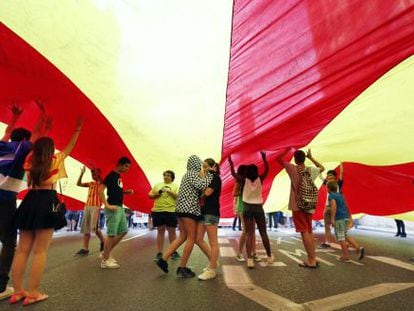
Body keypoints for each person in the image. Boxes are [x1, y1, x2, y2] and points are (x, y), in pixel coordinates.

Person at [11, 117, 83, 305]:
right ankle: (33, 293)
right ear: (51, 151)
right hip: (46, 201)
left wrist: (46, 129)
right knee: (40, 251)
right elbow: (70, 147)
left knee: (21, 251)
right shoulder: (55, 159)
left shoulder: (29, 160)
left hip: (29, 200)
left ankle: (18, 292)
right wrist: (77, 130)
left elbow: (37, 143)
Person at [0, 102, 47, 300]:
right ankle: (1, 286)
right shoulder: (23, 148)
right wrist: (43, 117)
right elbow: (35, 135)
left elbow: (8, 131)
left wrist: (15, 116)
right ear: (26, 140)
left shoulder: (2, 145)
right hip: (5, 200)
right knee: (10, 241)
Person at [156, 155, 214, 278]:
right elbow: (202, 186)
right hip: (189, 209)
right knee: (191, 238)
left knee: (182, 236)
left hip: (180, 209)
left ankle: (163, 259)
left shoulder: (186, 174)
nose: (201, 168)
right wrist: (210, 174)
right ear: (196, 165)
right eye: (200, 166)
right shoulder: (192, 173)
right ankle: (182, 267)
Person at [278, 148, 324, 269]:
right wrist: (311, 158)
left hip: (297, 205)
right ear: (304, 159)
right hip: (309, 204)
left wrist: (286, 150)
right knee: (309, 231)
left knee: (304, 232)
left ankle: (311, 260)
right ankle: (313, 257)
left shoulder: (292, 168)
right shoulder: (310, 170)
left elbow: (279, 159)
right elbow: (322, 167)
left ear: (295, 159)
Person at [237, 151, 273, 268]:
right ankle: (269, 256)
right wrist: (264, 158)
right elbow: (267, 169)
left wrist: (231, 162)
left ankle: (250, 260)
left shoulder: (243, 180)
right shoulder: (260, 178)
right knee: (263, 232)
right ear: (257, 172)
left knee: (248, 234)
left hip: (247, 208)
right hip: (258, 208)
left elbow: (233, 173)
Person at [99, 157, 133, 269]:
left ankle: (106, 254)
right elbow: (100, 190)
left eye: (128, 167)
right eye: (126, 166)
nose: (127, 169)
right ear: (119, 164)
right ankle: (105, 260)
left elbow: (114, 190)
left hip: (119, 207)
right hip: (112, 207)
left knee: (123, 231)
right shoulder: (111, 175)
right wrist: (107, 205)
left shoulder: (118, 176)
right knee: (111, 234)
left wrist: (125, 192)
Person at [228, 161, 259, 262]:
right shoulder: (239, 181)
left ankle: (254, 253)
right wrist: (243, 191)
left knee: (253, 231)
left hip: (253, 207)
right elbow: (234, 193)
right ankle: (239, 253)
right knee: (246, 230)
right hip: (243, 207)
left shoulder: (250, 180)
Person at [327, 181, 364, 261]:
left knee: (341, 238)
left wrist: (332, 219)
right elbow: (346, 206)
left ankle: (346, 256)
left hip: (339, 218)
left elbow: (333, 206)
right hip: (345, 217)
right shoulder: (340, 195)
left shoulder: (331, 196)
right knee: (344, 235)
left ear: (328, 188)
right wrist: (349, 218)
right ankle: (358, 248)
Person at [197, 159, 222, 280]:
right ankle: (214, 261)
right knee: (198, 238)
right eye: (203, 166)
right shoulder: (206, 178)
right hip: (203, 211)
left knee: (213, 241)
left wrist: (201, 185)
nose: (204, 168)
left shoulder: (215, 178)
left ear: (213, 167)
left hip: (211, 211)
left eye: (206, 166)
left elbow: (207, 192)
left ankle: (212, 269)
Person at [149, 170, 180, 261]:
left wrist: (169, 191)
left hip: (171, 211)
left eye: (169, 176)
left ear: (172, 178)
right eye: (165, 175)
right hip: (158, 210)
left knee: (172, 232)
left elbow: (178, 197)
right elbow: (150, 196)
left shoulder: (176, 186)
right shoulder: (157, 185)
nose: (166, 177)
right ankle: (159, 253)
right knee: (160, 231)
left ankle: (173, 252)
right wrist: (158, 192)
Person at [74, 166, 105, 255]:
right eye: (92, 173)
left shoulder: (102, 183)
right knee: (86, 228)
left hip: (96, 206)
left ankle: (103, 241)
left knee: (94, 228)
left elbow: (102, 181)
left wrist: (98, 175)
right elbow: (78, 184)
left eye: (94, 173)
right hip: (87, 206)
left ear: (99, 174)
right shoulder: (90, 183)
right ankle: (85, 248)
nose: (93, 175)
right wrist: (82, 173)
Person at [320, 164, 344, 248]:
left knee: (338, 227)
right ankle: (327, 242)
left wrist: (341, 164)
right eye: (328, 175)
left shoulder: (338, 184)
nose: (329, 177)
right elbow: (320, 176)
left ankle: (345, 243)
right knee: (327, 226)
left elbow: (341, 173)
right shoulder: (327, 183)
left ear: (335, 177)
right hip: (327, 208)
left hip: (336, 208)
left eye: (331, 175)